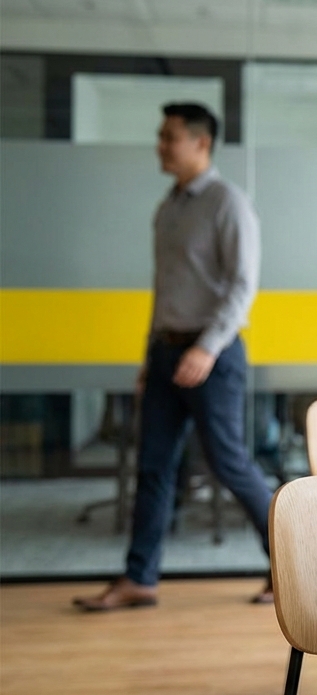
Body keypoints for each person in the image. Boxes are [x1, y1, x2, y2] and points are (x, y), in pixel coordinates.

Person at [75, 103, 274, 610]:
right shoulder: (169, 207)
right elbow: (165, 289)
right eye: (161, 137)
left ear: (201, 143)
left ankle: (294, 568)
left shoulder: (228, 202)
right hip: (165, 354)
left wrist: (206, 348)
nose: (161, 146)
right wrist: (150, 353)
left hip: (214, 356)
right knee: (154, 467)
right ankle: (139, 578)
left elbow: (243, 286)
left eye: (169, 137)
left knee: (230, 465)